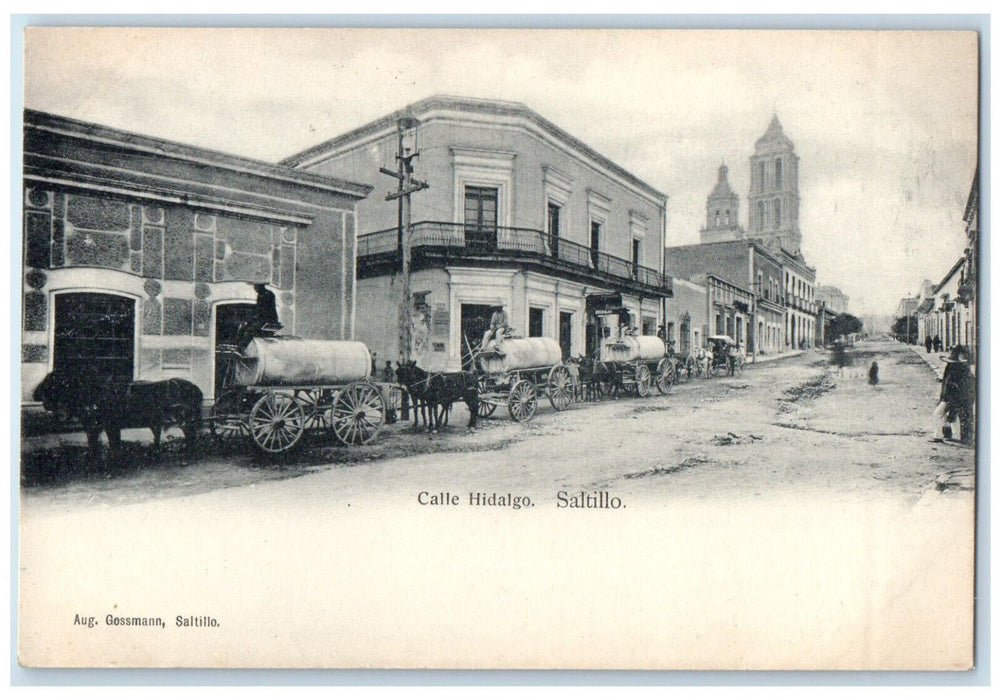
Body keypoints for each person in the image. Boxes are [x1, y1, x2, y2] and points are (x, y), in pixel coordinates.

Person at [939, 345, 975, 445]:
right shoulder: (957, 368)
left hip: (959, 397)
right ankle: (962, 437)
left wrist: (947, 398)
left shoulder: (957, 370)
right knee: (960, 417)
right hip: (958, 397)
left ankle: (963, 438)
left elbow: (952, 386)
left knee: (959, 417)